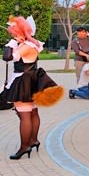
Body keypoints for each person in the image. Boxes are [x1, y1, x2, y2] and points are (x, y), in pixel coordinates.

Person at [4, 16, 64, 160]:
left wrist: (11, 44)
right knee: (33, 112)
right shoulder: (32, 44)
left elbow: (7, 57)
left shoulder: (26, 46)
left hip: (23, 81)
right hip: (32, 79)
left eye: (14, 33)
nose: (13, 35)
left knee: (24, 115)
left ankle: (24, 147)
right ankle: (33, 140)